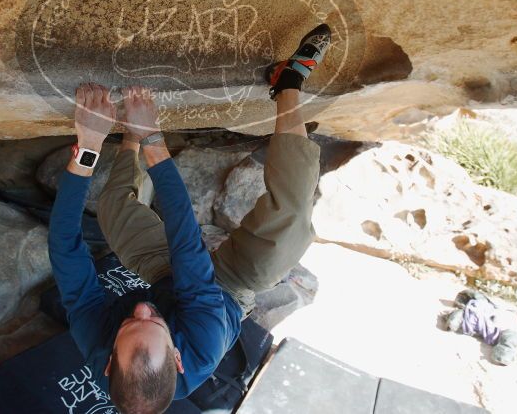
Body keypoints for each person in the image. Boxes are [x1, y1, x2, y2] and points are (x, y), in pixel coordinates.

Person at [49, 24, 331, 414]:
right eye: (155, 325)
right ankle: (289, 82)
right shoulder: (203, 341)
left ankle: (125, 133)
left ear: (109, 361)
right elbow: (186, 242)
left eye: (129, 324)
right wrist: (154, 139)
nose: (141, 310)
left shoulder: (98, 345)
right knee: (291, 219)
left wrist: (89, 145)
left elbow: (65, 247)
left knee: (113, 208)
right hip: (228, 288)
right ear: (178, 358)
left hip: (165, 277)